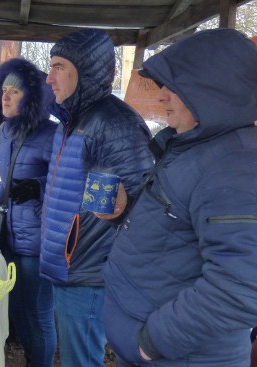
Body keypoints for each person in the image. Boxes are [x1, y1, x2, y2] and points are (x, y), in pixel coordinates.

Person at [103, 28, 257, 367]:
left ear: (212, 90)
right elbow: (177, 225)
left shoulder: (236, 166)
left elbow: (240, 286)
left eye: (175, 87)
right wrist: (124, 212)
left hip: (180, 355)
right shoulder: (195, 145)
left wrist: (151, 342)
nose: (162, 97)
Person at [39, 29, 154, 366]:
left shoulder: (115, 122)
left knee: (81, 360)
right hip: (70, 267)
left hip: (89, 272)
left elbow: (148, 198)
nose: (49, 78)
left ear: (86, 70)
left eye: (59, 67)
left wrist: (125, 203)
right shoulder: (71, 119)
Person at [0, 58, 57, 367]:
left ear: (32, 97)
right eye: (4, 89)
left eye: (15, 92)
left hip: (40, 240)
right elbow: (8, 182)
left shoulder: (52, 135)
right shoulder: (7, 132)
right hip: (11, 235)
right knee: (18, 308)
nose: (6, 97)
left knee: (38, 314)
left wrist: (37, 186)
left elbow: (74, 181)